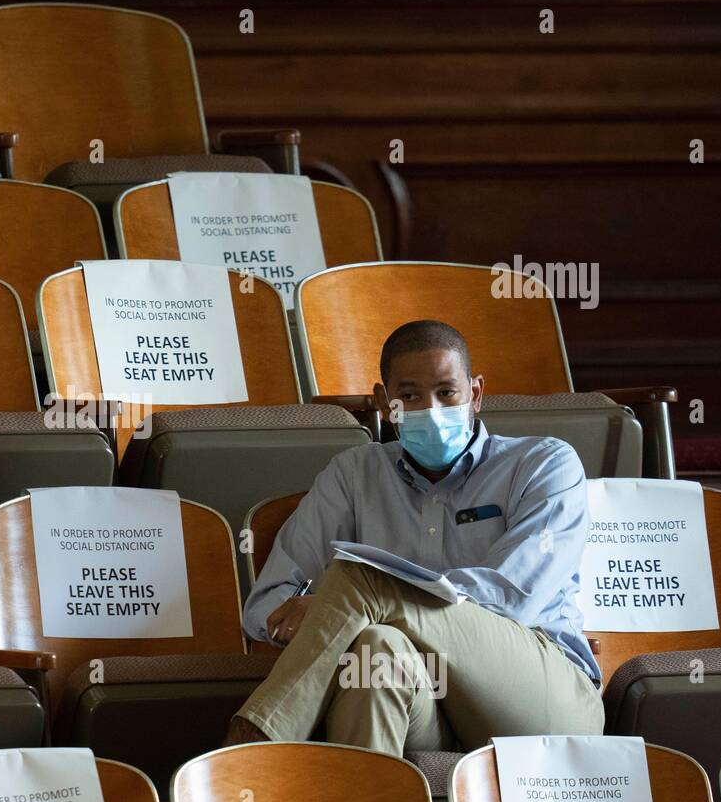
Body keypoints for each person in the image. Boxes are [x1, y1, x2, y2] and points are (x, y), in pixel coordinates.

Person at [224, 319, 603, 752]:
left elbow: (516, 597)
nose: (431, 409)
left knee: (360, 579)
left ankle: (254, 751)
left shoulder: (544, 464)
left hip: (541, 699)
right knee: (376, 646)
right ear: (384, 403)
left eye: (447, 392)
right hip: (425, 706)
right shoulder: (354, 474)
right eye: (409, 396)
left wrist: (362, 597)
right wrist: (337, 612)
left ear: (475, 394)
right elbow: (265, 606)